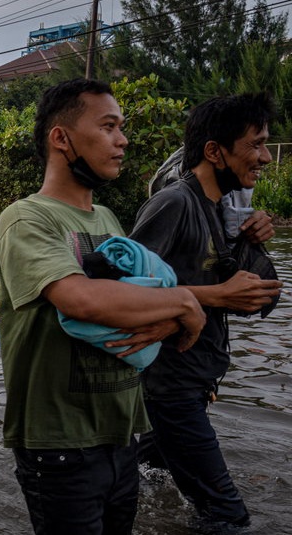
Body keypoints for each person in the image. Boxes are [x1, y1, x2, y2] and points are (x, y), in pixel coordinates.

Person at [0, 78, 207, 534]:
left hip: (120, 433)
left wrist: (172, 313)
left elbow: (139, 300)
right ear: (61, 138)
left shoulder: (108, 219)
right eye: (108, 126)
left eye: (121, 127)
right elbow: (81, 299)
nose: (122, 139)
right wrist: (185, 302)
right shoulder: (26, 217)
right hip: (58, 443)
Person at [128, 93, 282, 530]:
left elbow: (263, 299)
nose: (266, 157)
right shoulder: (174, 203)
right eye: (255, 144)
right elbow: (124, 291)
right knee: (228, 516)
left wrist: (252, 243)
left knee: (145, 476)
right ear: (215, 151)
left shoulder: (222, 210)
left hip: (194, 380)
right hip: (170, 388)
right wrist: (216, 297)